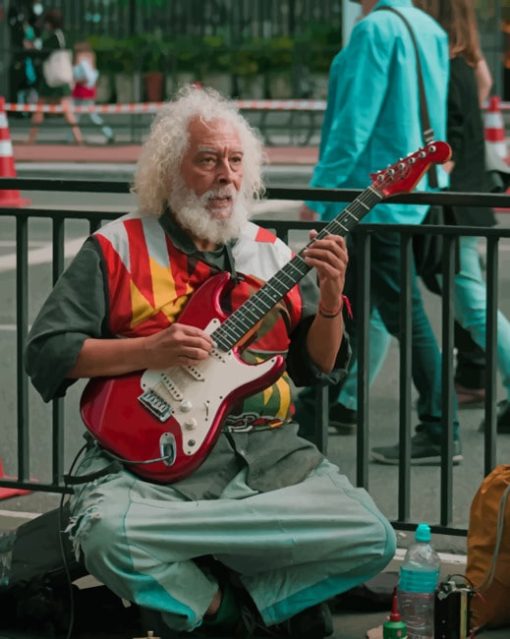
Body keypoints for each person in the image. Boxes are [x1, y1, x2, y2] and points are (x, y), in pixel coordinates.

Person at [24, 87, 396, 638]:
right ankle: (229, 611)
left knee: (374, 538)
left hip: (270, 457)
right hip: (150, 463)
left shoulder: (270, 252)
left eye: (235, 161)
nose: (226, 175)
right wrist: (147, 350)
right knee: (105, 535)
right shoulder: (117, 246)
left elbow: (320, 365)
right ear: (171, 170)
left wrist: (333, 298)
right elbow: (47, 351)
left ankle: (223, 602)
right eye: (208, 160)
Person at [295, 0, 462, 465]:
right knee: (357, 306)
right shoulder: (428, 28)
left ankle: (438, 426)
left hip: (370, 199)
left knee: (397, 314)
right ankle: (320, 407)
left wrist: (320, 195)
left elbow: (354, 124)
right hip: (412, 192)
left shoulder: (373, 32)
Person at [415, 0, 510, 434]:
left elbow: (445, 145)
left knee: (471, 301)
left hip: (453, 200)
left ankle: (345, 398)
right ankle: (346, 396)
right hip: (470, 197)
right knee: (464, 298)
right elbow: (485, 89)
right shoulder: (469, 64)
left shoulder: (445, 65)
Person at [28, 8, 83, 145]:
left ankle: (31, 139)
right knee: (66, 109)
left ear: (50, 23)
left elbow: (42, 53)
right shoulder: (65, 36)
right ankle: (79, 139)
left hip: (53, 78)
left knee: (40, 107)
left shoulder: (54, 37)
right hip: (62, 78)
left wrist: (32, 48)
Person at [72, 42, 115, 144]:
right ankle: (108, 133)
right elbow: (93, 75)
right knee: (80, 116)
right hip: (88, 91)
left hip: (81, 91)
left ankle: (71, 138)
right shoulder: (91, 56)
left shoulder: (81, 57)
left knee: (77, 117)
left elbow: (82, 76)